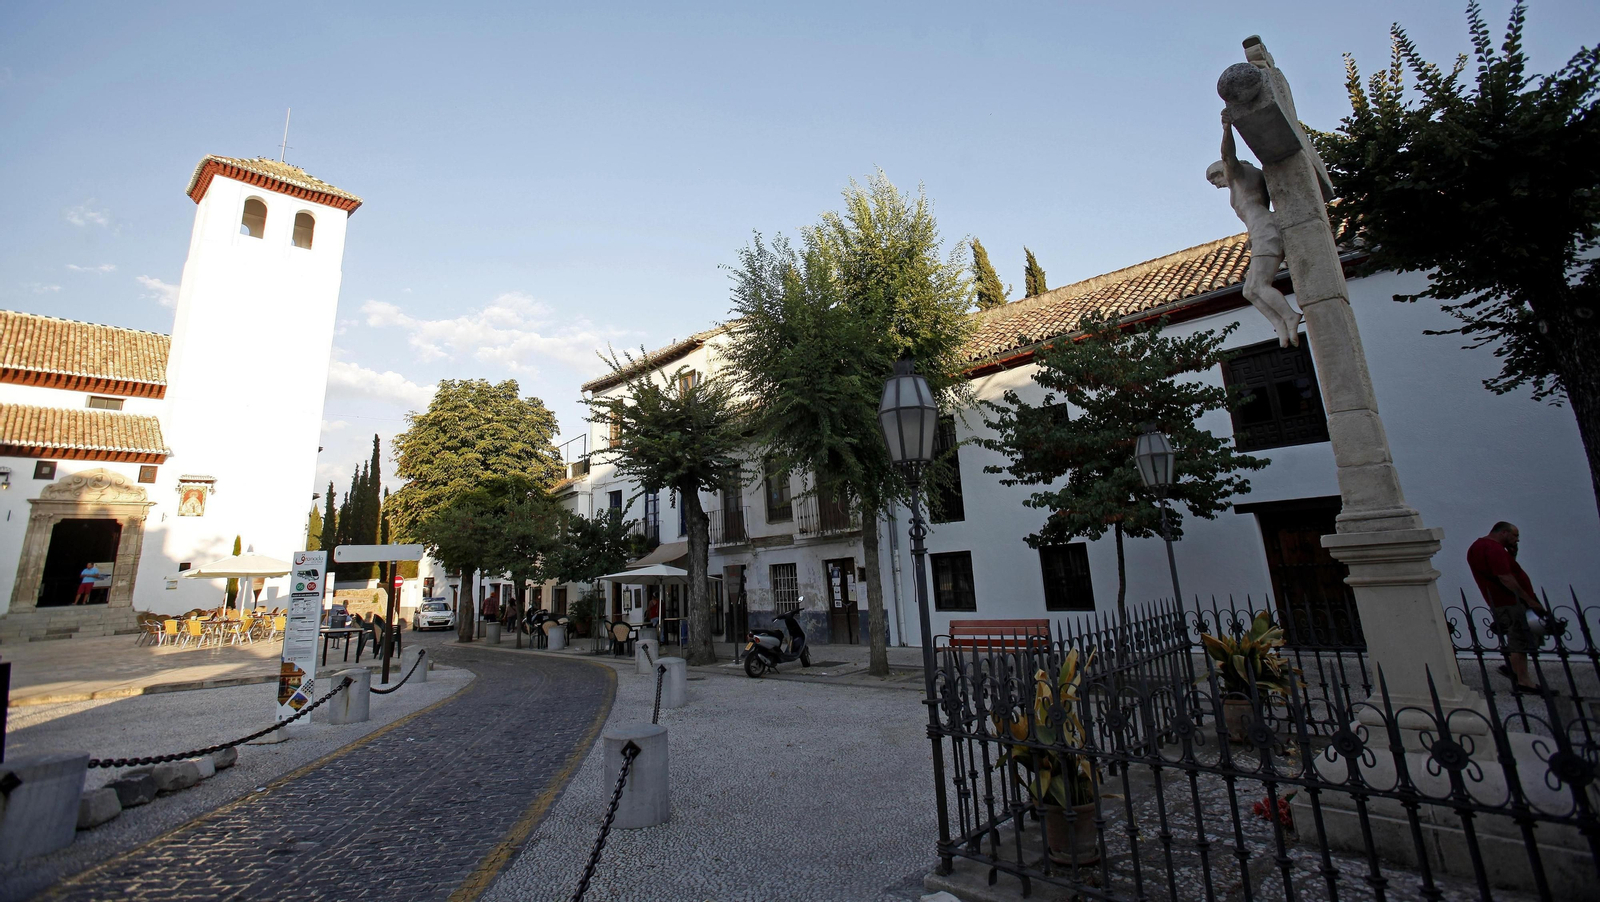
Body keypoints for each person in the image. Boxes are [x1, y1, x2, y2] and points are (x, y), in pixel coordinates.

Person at [1210, 111, 1303, 348]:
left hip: (1265, 230)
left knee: (1259, 285)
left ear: (1222, 171)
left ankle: (1290, 316)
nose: (1218, 185)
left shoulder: (1239, 176)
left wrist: (1227, 127)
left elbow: (1227, 154)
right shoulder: (1252, 178)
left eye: (1215, 180)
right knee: (1249, 291)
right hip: (1260, 231)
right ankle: (1281, 324)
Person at [1467, 522, 1550, 692]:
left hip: (1503, 601)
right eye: (1515, 535)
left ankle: (1512, 669)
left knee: (1522, 637)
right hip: (1511, 602)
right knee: (1520, 639)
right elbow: (1505, 577)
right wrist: (1529, 599)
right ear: (1503, 532)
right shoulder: (1493, 549)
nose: (1517, 539)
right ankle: (1524, 681)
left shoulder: (1478, 547)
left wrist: (1512, 556)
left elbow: (1502, 570)